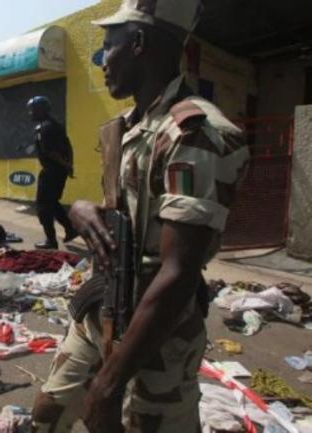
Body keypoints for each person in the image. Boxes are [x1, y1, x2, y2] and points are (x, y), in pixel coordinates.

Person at [31, 1, 250, 433]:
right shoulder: (130, 125)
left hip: (156, 339)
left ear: (138, 43)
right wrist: (80, 209)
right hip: (103, 310)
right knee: (45, 418)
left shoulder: (197, 134)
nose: (101, 62)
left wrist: (109, 385)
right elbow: (127, 216)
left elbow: (179, 270)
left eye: (108, 47)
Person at [27, 96, 78, 250]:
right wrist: (69, 165)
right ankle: (71, 229)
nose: (30, 113)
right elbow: (68, 145)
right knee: (53, 202)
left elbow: (51, 153)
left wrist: (66, 165)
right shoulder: (56, 125)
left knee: (43, 207)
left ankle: (51, 241)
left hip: (51, 172)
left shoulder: (45, 127)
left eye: (32, 110)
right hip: (59, 171)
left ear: (40, 110)